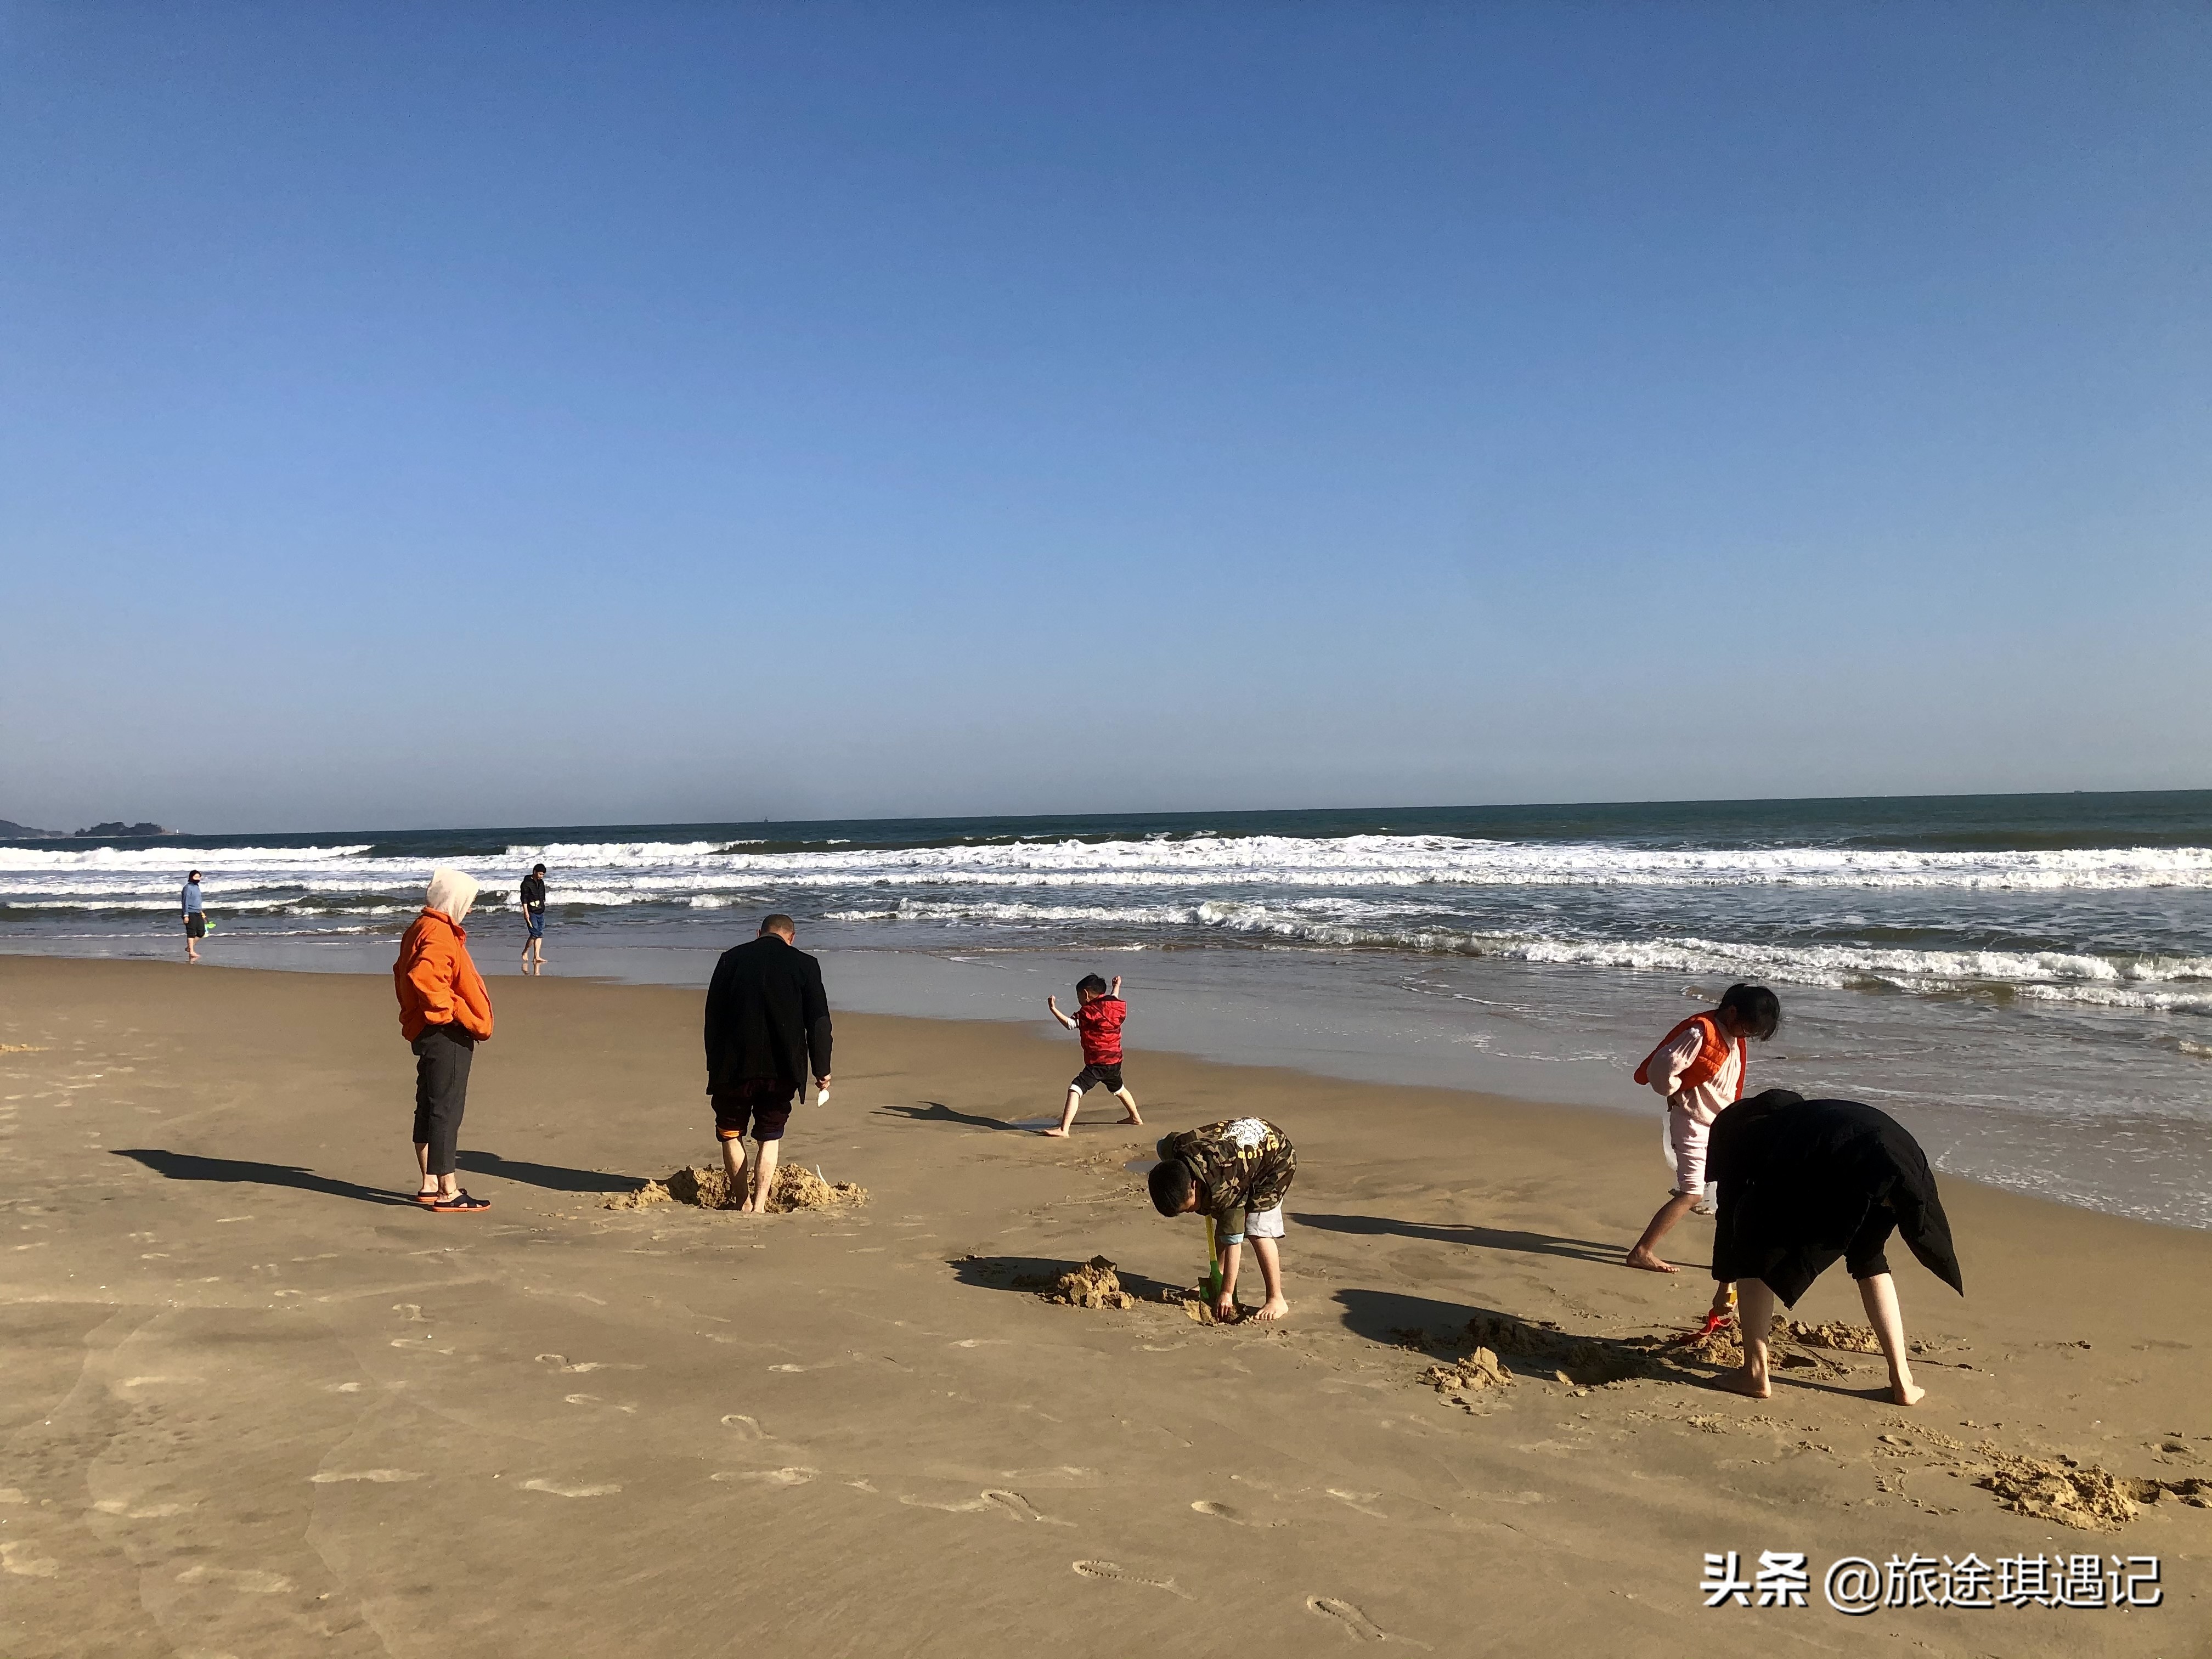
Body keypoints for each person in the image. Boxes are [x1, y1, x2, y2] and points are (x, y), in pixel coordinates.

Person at [1708, 1090, 1962, 1407]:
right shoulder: (1808, 1118)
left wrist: (1725, 1286)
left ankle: (1755, 1373)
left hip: (1848, 1157)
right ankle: (1903, 1381)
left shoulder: (1741, 1136)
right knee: (1869, 1257)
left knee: (1751, 1244)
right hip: (1899, 1154)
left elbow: (1730, 1218)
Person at [1624, 983, 1781, 1278]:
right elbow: (1661, 1068)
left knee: (1729, 1188)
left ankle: (1733, 1254)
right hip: (1693, 1121)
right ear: (1732, 1012)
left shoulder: (1732, 1035)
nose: (1747, 1036)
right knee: (1691, 1194)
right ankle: (1641, 1252)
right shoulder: (1700, 1033)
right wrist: (1674, 1090)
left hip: (1719, 1123)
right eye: (1748, 1029)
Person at [703, 913, 832, 1214]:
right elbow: (819, 1023)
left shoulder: (731, 959)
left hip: (733, 1067)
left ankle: (742, 1202)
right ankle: (760, 1204)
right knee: (770, 1134)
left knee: (730, 1131)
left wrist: (714, 1064)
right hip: (782, 1068)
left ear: (759, 933)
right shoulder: (805, 964)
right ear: (792, 938)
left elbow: (713, 1017)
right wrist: (822, 1070)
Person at [394, 869, 495, 1213]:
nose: (470, 907)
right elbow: (425, 977)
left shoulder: (421, 927)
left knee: (429, 1106)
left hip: (427, 1029)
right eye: (468, 900)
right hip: (444, 1032)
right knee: (446, 1109)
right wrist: (452, 1012)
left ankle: (429, 1184)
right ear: (454, 899)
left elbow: (404, 973)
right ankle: (448, 1191)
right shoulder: (438, 931)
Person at [1148, 1118, 1297, 1322]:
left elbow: (1234, 1241)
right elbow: (1164, 1142)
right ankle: (1216, 1277)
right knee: (1222, 1216)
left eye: (1189, 1207)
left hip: (1275, 1159)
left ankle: (1276, 1298)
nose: (1190, 1212)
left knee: (1257, 1228)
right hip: (1243, 1147)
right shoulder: (1176, 1149)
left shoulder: (1224, 1188)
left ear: (1194, 1185)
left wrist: (1227, 1292)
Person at [1040, 973, 1141, 1137]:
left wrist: (1053, 1009)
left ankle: (1064, 1129)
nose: (1079, 1000)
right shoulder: (1115, 1005)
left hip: (1098, 1062)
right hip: (1115, 1059)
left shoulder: (1088, 1012)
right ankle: (1135, 1117)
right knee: (1119, 1088)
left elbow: (1070, 1024)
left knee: (1075, 1088)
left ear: (1085, 994)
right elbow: (1114, 997)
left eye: (1079, 996)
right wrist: (1117, 986)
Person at [518, 862, 548, 976]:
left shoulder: (541, 883)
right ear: (535, 872)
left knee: (540, 934)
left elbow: (542, 896)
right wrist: (526, 912)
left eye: (543, 875)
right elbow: (524, 898)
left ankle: (537, 956)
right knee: (535, 933)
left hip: (540, 910)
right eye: (540, 874)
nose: (541, 876)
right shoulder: (526, 883)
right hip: (531, 912)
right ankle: (525, 952)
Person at [180, 870, 206, 963]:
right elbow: (185, 902)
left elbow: (198, 901)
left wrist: (202, 912)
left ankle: (189, 947)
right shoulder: (188, 888)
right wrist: (186, 915)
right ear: (191, 877)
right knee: (191, 933)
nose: (198, 879)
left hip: (198, 912)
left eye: (199, 877)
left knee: (201, 932)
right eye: (196, 877)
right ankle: (191, 952)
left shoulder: (197, 887)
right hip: (190, 912)